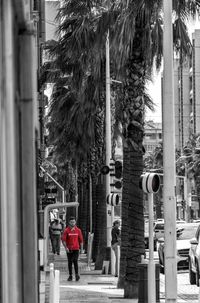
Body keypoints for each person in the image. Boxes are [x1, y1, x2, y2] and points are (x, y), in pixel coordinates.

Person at [61, 216, 83, 281]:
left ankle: (76, 274)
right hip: (69, 249)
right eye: (71, 222)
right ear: (69, 222)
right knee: (70, 262)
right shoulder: (66, 230)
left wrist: (81, 249)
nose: (73, 223)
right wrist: (66, 248)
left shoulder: (78, 230)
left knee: (75, 260)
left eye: (74, 222)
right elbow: (63, 240)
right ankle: (70, 275)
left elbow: (81, 240)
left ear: (75, 222)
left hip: (76, 249)